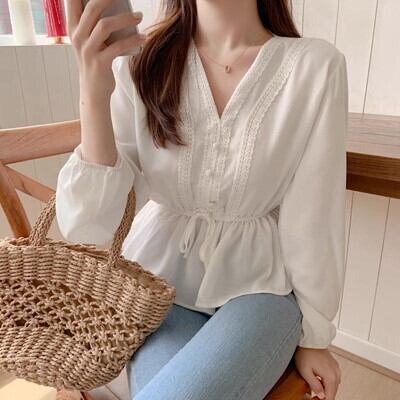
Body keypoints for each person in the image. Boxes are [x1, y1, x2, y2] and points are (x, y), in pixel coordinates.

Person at [58, 0, 348, 399]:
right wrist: (93, 89)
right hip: (159, 286)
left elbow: (313, 214)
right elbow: (91, 228)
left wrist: (314, 335)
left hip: (261, 288)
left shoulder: (314, 66)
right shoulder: (141, 63)